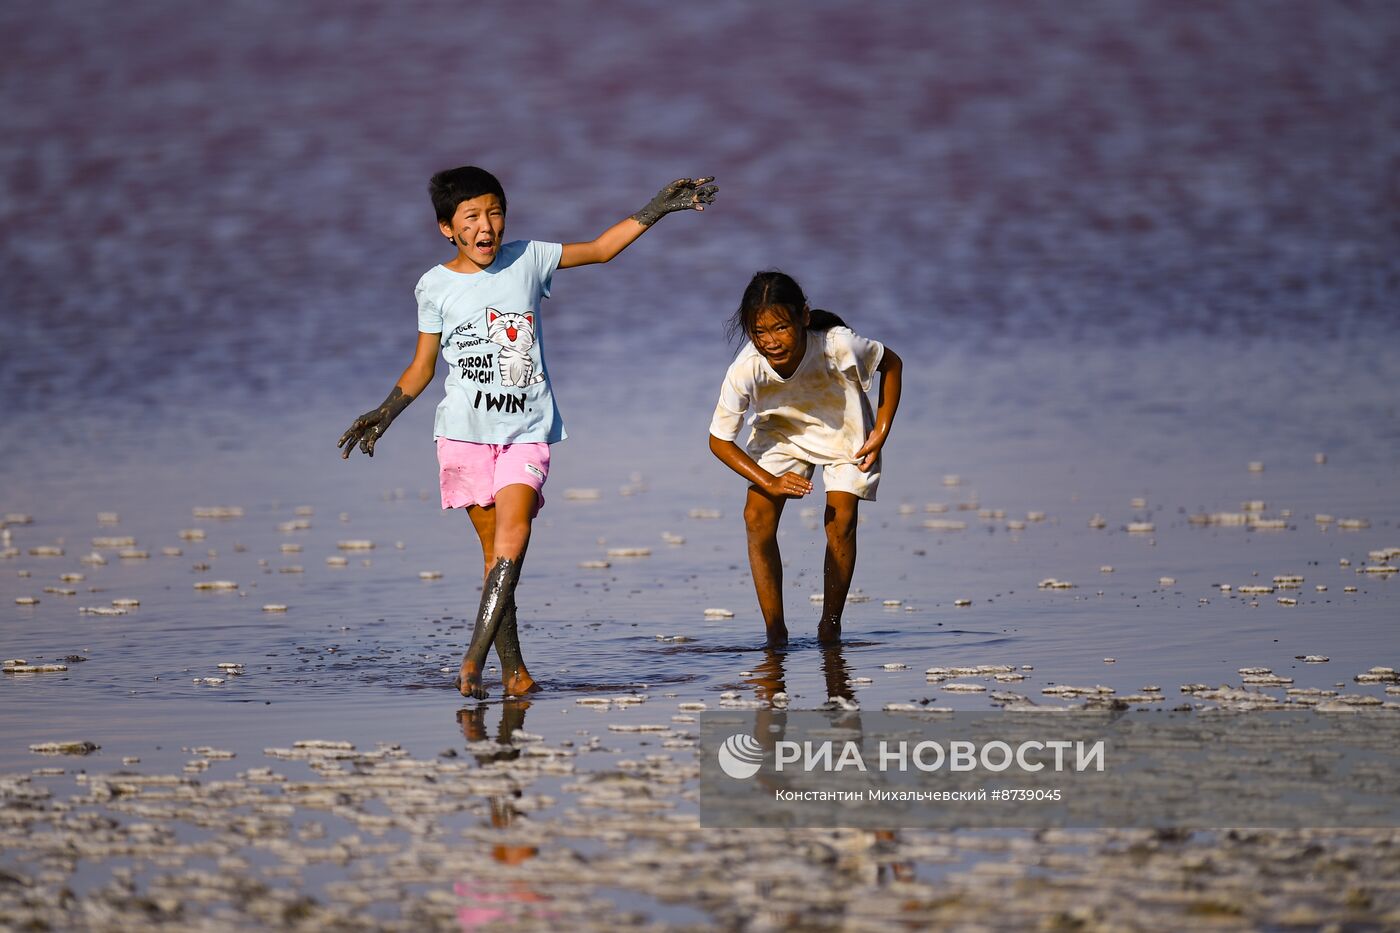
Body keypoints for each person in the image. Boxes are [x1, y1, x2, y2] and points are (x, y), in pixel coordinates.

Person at [340, 166, 716, 698]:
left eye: (494, 213)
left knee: (514, 538)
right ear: (447, 227)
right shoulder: (434, 286)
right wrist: (385, 411)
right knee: (496, 559)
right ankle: (515, 674)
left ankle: (471, 660)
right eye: (471, 217)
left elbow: (602, 249)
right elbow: (422, 367)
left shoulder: (530, 258)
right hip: (463, 438)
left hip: (525, 433)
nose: (485, 226)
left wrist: (659, 206)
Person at [708, 270, 902, 648]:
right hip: (781, 430)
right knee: (755, 515)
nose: (771, 342)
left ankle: (830, 627)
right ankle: (775, 632)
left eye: (781, 328)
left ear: (804, 317)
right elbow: (719, 441)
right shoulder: (745, 369)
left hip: (841, 424)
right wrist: (770, 481)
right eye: (759, 332)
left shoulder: (839, 346)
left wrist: (880, 430)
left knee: (840, 519)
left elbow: (892, 365)